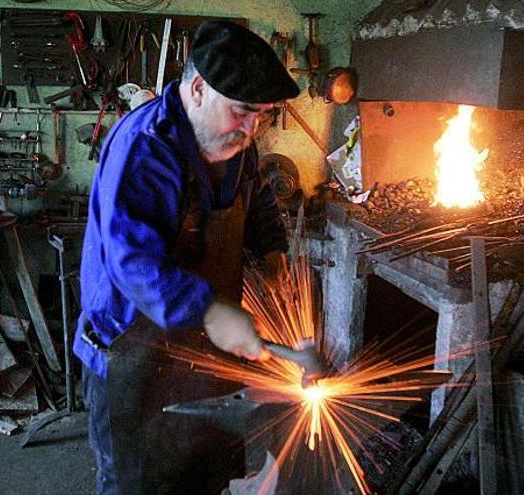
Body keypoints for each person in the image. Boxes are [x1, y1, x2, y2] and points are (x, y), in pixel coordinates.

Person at [74, 20, 300, 495]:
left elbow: (255, 195)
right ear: (198, 89)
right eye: (242, 112)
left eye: (261, 115)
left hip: (200, 354)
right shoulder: (145, 147)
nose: (251, 127)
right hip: (132, 356)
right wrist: (211, 311)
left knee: (204, 476)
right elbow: (134, 264)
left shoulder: (237, 144)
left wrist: (274, 250)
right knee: (135, 485)